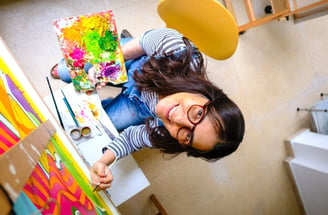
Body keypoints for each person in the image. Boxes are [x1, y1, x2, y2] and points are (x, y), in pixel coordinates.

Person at [51, 28, 245, 191]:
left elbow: (130, 139)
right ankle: (80, 66)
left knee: (96, 124)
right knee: (64, 72)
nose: (177, 118)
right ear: (210, 96)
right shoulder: (180, 52)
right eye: (198, 114)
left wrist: (103, 162)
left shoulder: (168, 135)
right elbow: (144, 42)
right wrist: (105, 66)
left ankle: (108, 98)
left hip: (138, 105)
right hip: (135, 62)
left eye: (187, 136)